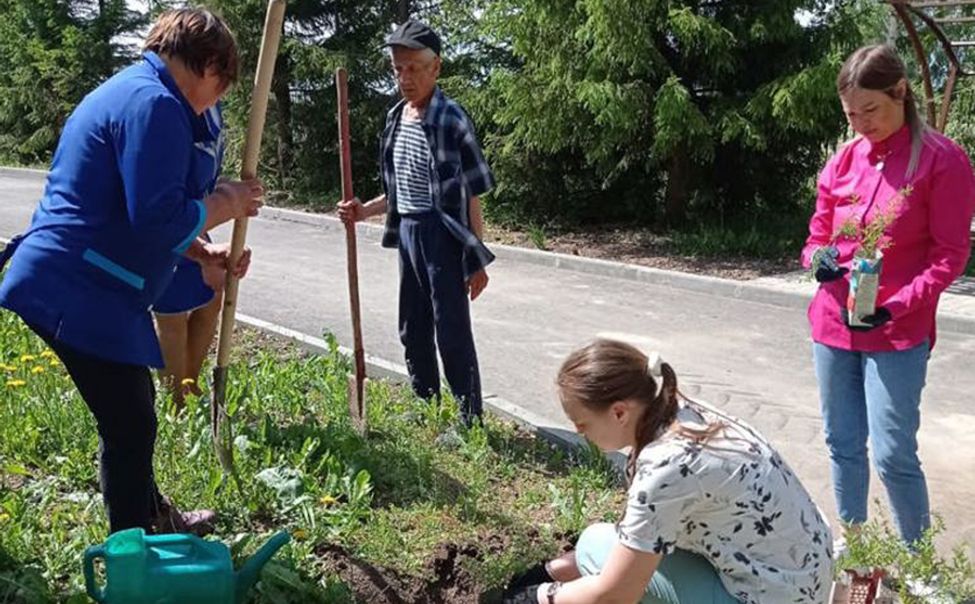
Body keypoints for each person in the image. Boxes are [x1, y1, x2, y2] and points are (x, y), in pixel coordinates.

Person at [0, 8, 263, 535]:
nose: (215, 102)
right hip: (74, 285)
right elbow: (155, 220)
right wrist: (225, 201)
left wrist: (200, 253)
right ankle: (132, 552)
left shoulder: (138, 90)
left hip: (85, 281)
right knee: (130, 423)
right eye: (221, 86)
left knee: (133, 411)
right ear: (209, 65)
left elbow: (130, 208)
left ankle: (151, 517)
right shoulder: (156, 105)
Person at [502, 339, 833, 604]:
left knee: (598, 558)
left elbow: (618, 594)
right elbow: (641, 532)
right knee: (595, 547)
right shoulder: (683, 412)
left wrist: (541, 596)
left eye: (583, 424)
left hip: (779, 596)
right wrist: (548, 570)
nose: (580, 433)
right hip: (800, 577)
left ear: (619, 412)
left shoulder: (665, 467)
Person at [803, 45, 975, 551]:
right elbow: (815, 236)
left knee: (894, 452)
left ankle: (917, 561)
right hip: (832, 325)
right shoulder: (844, 160)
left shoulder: (943, 161)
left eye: (870, 111)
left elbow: (949, 256)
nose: (860, 124)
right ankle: (854, 549)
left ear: (900, 92)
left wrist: (895, 305)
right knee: (842, 444)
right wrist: (819, 260)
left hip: (898, 332)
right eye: (850, 114)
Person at [337, 20, 495, 425]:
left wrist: (475, 258)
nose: (404, 78)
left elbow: (472, 192)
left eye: (412, 68)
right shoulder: (395, 117)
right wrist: (362, 209)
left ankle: (468, 419)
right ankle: (424, 402)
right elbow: (400, 189)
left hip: (442, 235)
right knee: (413, 324)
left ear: (435, 68)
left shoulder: (451, 119)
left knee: (451, 329)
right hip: (407, 231)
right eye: (397, 69)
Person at [152, 102, 237, 410]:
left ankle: (189, 383)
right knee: (172, 314)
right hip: (172, 220)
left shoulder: (211, 109)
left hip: (196, 218)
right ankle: (174, 401)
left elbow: (206, 168)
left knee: (212, 297)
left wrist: (225, 188)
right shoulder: (173, 108)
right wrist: (224, 202)